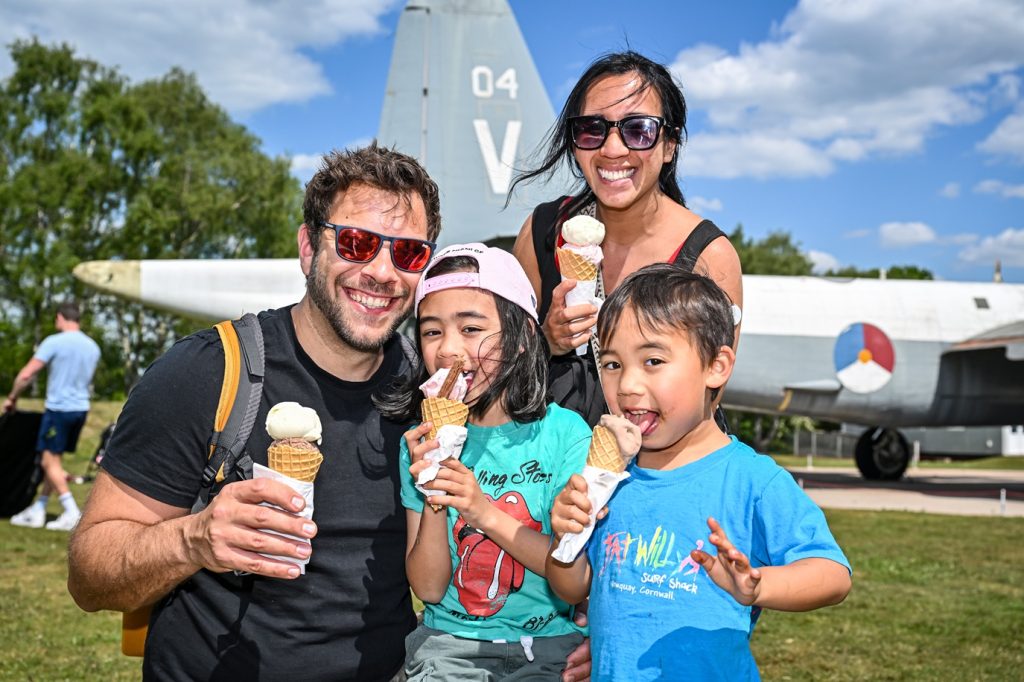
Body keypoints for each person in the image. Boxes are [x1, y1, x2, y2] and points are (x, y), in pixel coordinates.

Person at [66, 144, 442, 681]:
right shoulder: (206, 370)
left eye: (408, 253)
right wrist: (194, 539)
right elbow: (89, 576)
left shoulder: (428, 388)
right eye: (357, 243)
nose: (382, 272)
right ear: (309, 248)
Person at [546, 264, 852, 681]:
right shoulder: (606, 477)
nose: (627, 385)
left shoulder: (752, 480)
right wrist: (565, 538)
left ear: (716, 366)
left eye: (653, 360)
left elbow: (832, 575)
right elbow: (572, 587)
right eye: (613, 364)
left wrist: (759, 586)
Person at [376, 243, 592, 680]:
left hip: (551, 646)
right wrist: (434, 492)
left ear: (522, 337)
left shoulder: (566, 434)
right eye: (432, 332)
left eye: (471, 328)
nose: (448, 350)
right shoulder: (419, 442)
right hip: (448, 646)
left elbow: (569, 577)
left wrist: (481, 511)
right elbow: (429, 587)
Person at [510, 51, 743, 427]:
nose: (612, 149)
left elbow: (707, 402)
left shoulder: (709, 256)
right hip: (547, 460)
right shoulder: (542, 232)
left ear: (670, 145)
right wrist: (546, 340)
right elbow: (500, 369)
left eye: (639, 130)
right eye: (592, 128)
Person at [7, 301, 101, 531]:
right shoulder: (92, 347)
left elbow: (27, 374)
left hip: (59, 409)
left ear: (60, 317)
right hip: (80, 409)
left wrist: (12, 397)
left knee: (48, 461)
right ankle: (39, 508)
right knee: (55, 462)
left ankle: (72, 512)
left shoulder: (54, 342)